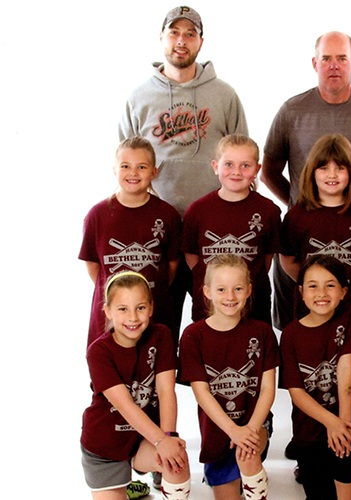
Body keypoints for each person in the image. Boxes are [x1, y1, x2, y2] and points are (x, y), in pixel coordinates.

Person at [261, 29, 351, 483]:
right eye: (327, 57)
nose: (334, 64)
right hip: (312, 291)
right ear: (314, 62)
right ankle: (313, 442)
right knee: (310, 361)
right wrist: (297, 205)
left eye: (343, 57)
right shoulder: (293, 110)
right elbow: (269, 169)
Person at [119, 5, 248, 338]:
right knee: (155, 327)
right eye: (174, 33)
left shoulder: (224, 95)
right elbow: (126, 163)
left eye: (190, 34)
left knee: (220, 330)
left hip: (213, 231)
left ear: (201, 42)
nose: (181, 41)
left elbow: (242, 157)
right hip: (157, 230)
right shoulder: (139, 97)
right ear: (161, 38)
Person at [279, 134, 351, 485]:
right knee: (311, 378)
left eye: (340, 167)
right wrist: (315, 293)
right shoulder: (297, 216)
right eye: (324, 167)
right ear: (312, 172)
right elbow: (288, 260)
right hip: (311, 316)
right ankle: (311, 444)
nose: (332, 174)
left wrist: (342, 293)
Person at [80, 271, 190, 500]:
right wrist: (162, 441)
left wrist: (168, 438)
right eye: (122, 309)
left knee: (177, 461)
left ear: (151, 308)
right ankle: (126, 486)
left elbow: (166, 391)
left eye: (140, 307)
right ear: (108, 311)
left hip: (143, 440)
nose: (133, 317)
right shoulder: (98, 352)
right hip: (105, 447)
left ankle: (134, 481)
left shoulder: (161, 336)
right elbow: (126, 407)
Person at [178, 255, 279, 500]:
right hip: (218, 430)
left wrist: (250, 430)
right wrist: (233, 431)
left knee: (248, 454)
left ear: (249, 290)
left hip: (255, 424)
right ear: (207, 291)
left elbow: (267, 389)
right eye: (221, 289)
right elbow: (202, 394)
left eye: (237, 289)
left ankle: (253, 483)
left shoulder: (262, 333)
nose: (230, 297)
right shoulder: (193, 336)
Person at [279, 255, 351, 499]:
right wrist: (331, 423)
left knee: (345, 465)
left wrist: (342, 424)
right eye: (313, 285)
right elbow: (297, 393)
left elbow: (347, 373)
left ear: (343, 291)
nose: (321, 293)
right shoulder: (290, 335)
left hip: (347, 418)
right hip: (308, 428)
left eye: (330, 285)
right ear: (300, 292)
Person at [80, 137, 182, 348]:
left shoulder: (167, 215)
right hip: (111, 321)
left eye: (141, 167)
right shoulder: (97, 215)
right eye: (125, 166)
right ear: (114, 170)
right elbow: (94, 266)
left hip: (155, 315)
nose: (133, 173)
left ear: (154, 172)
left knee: (157, 375)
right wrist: (121, 298)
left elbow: (171, 266)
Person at [182, 134, 281, 325]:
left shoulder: (268, 211)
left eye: (245, 165)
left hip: (254, 306)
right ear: (215, 166)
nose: (236, 172)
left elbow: (267, 259)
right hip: (209, 308)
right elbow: (192, 257)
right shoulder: (197, 211)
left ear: (257, 169)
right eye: (228, 164)